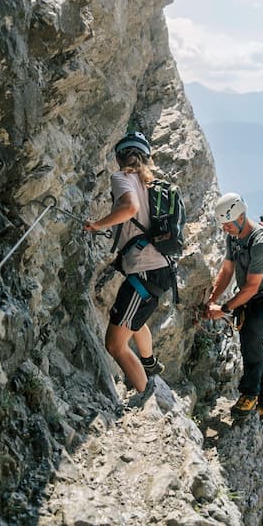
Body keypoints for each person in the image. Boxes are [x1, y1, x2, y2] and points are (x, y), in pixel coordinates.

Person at [84, 130, 173, 396]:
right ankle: (149, 363)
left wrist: (98, 224)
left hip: (144, 273)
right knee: (132, 319)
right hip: (159, 268)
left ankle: (146, 392)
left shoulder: (122, 177)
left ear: (120, 156)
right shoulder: (152, 183)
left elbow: (130, 208)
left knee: (114, 344)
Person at [205, 192, 263, 423]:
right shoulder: (235, 237)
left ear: (241, 217)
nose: (225, 229)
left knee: (251, 336)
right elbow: (227, 271)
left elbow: (251, 287)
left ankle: (250, 394)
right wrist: (212, 297)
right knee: (252, 343)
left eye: (228, 224)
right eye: (222, 225)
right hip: (251, 297)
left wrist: (223, 308)